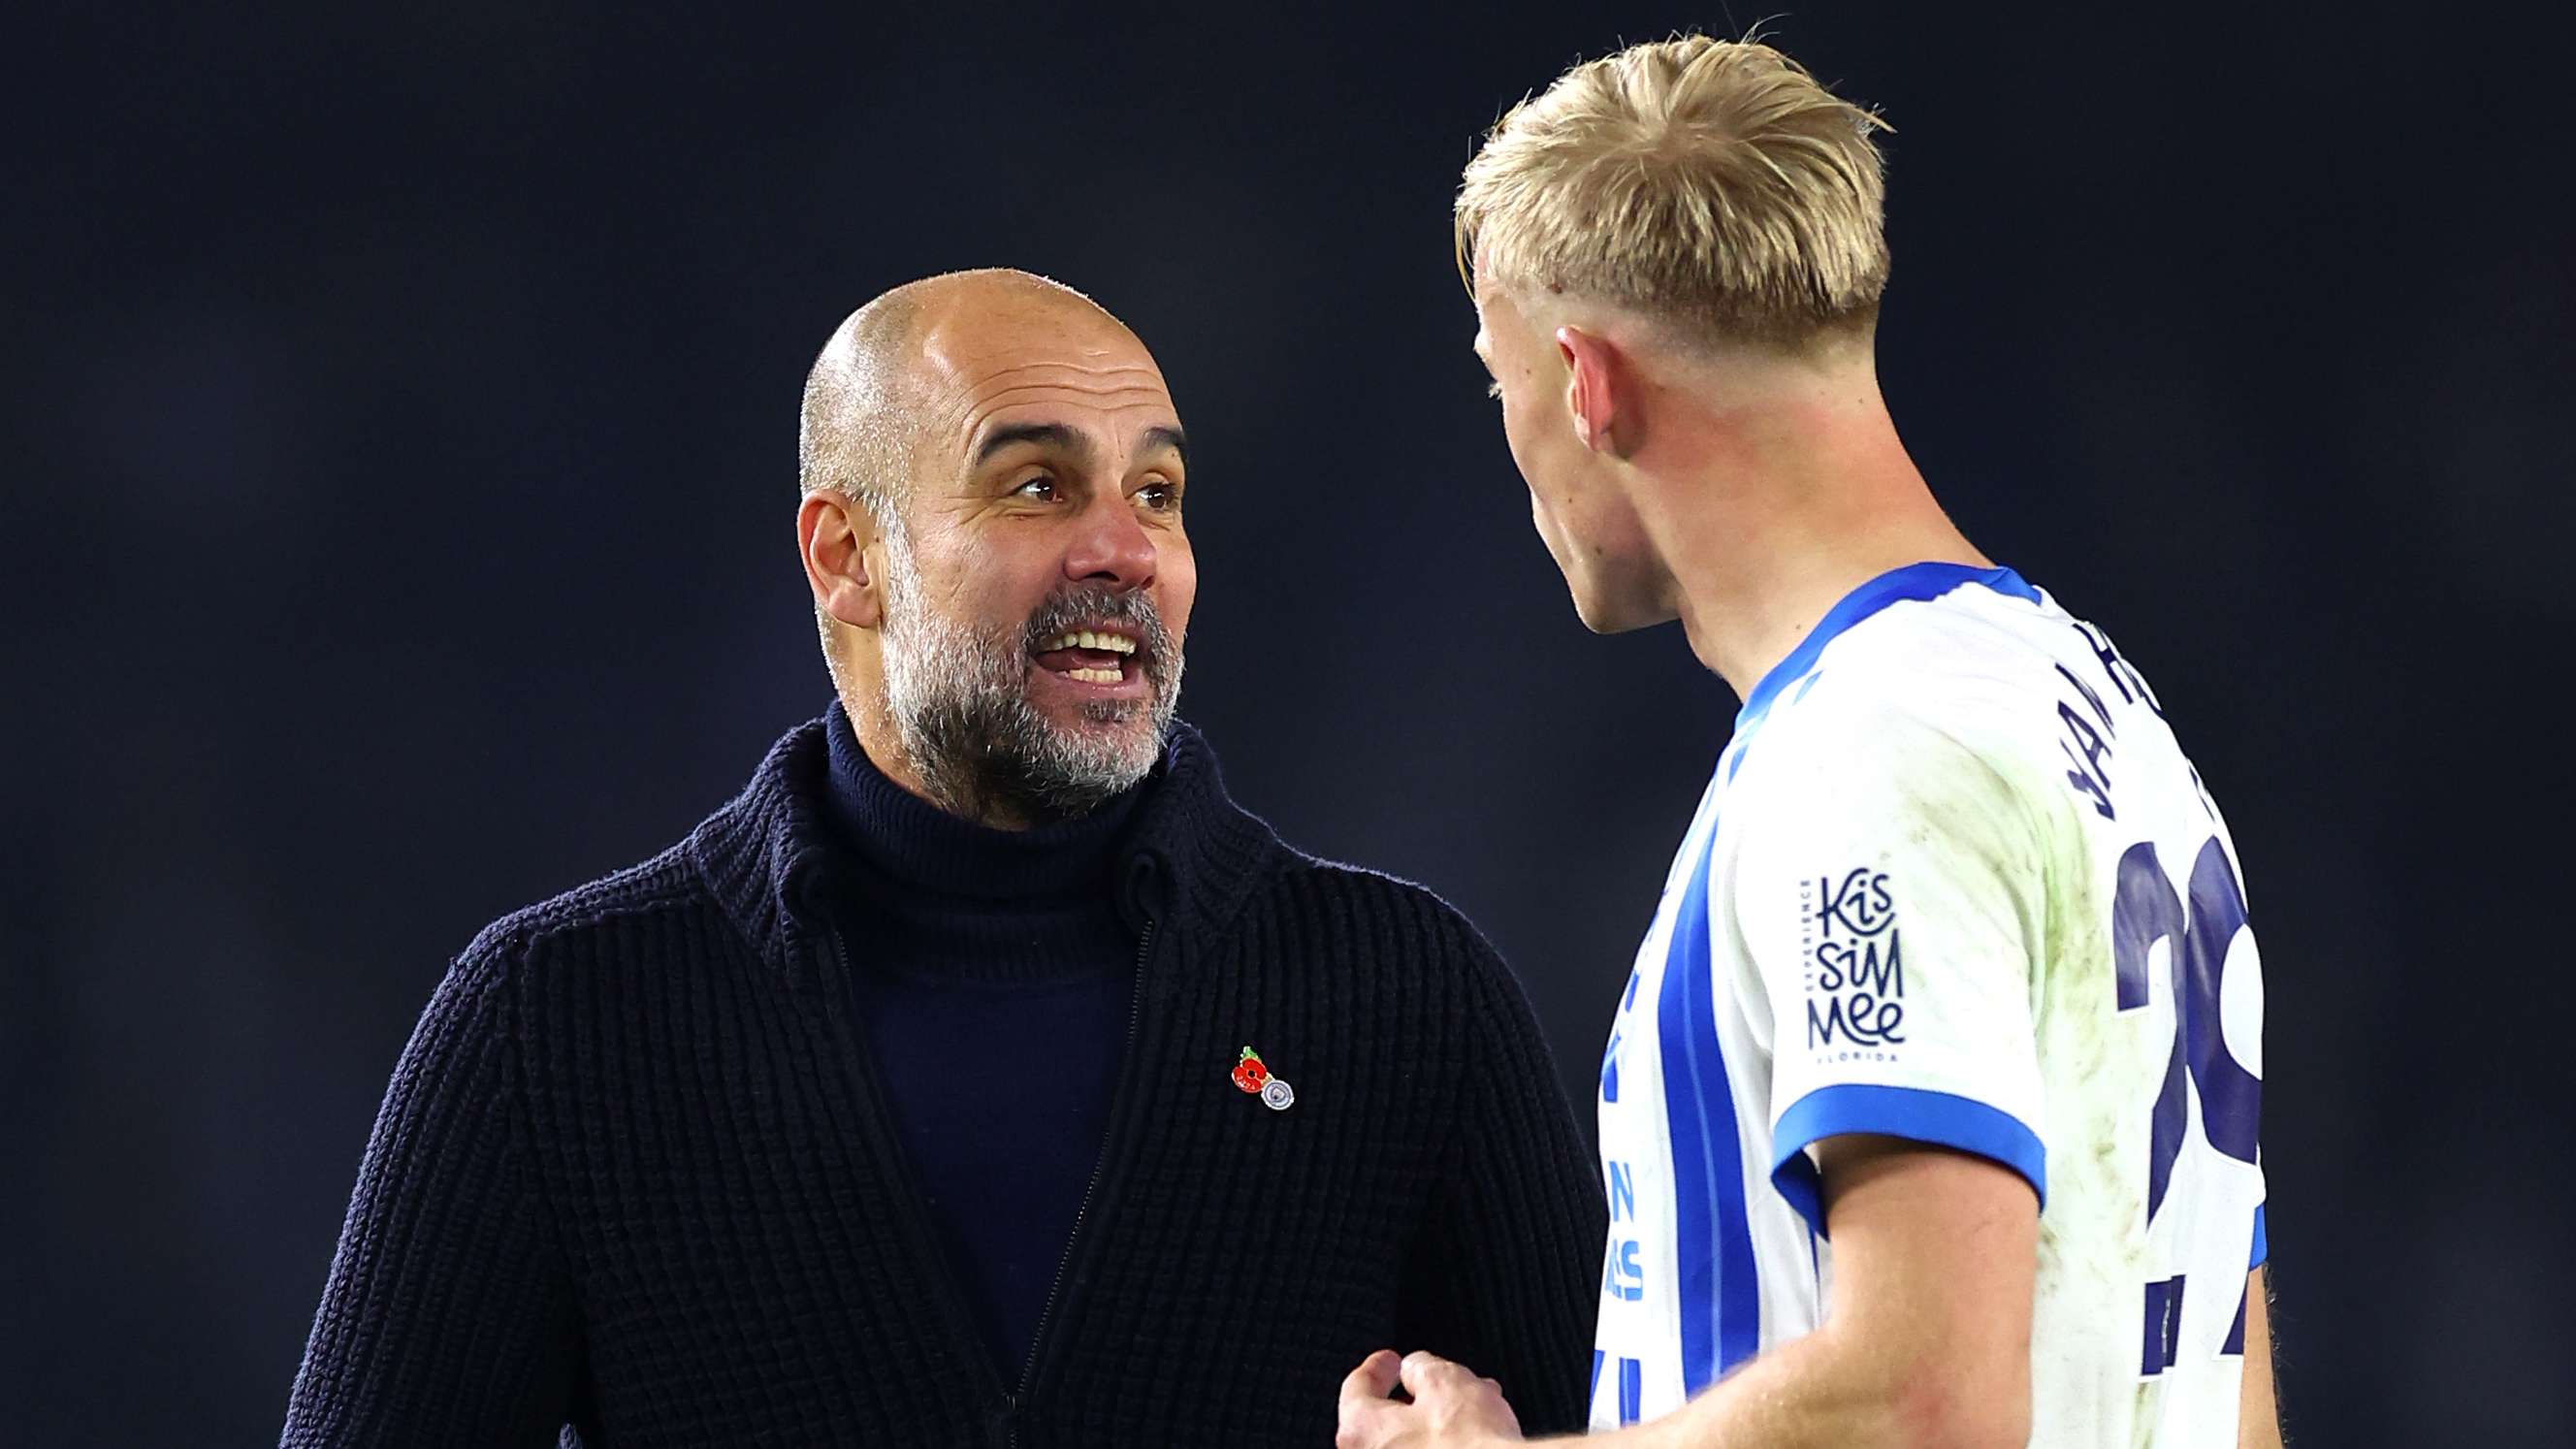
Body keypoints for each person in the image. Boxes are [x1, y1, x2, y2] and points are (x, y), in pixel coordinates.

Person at [283, 268, 1603, 1447]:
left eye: (1157, 491)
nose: (1125, 550)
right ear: (847, 557)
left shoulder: (1408, 1001)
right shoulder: (557, 1020)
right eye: (1037, 484)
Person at [1336, 35, 2281, 1449]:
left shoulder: (1873, 753)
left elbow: (1926, 1400)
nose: (1511, 434)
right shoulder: (2102, 712)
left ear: (1587, 383)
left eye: (1500, 381)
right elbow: (2227, 1383)